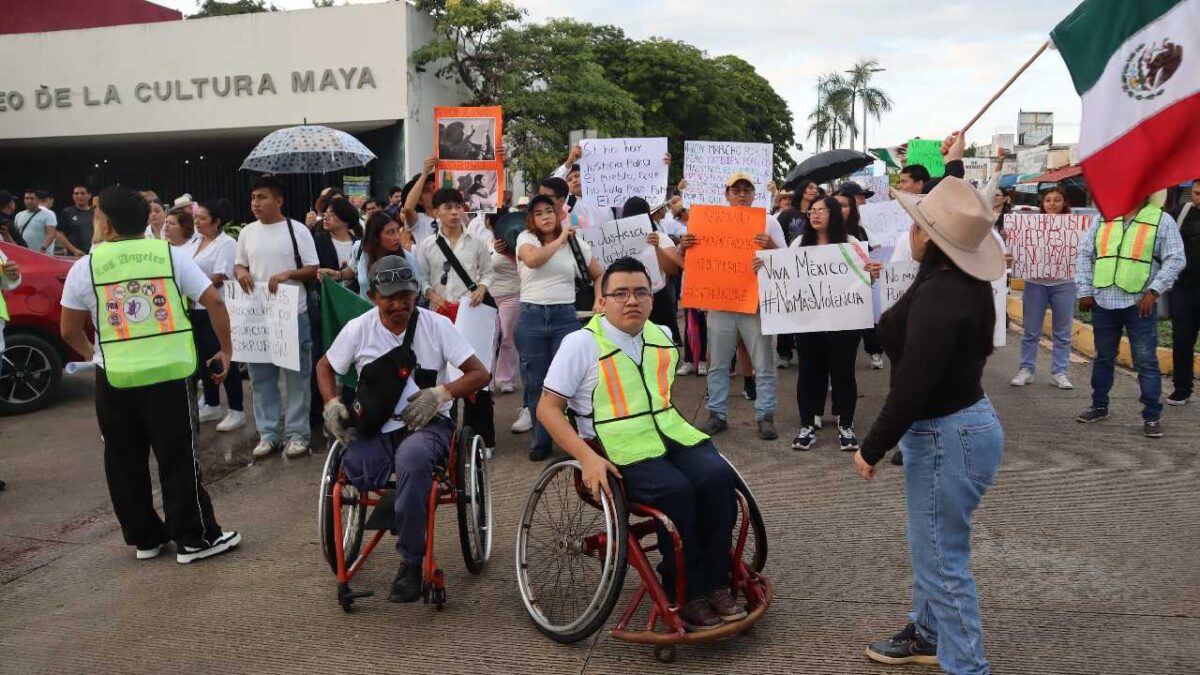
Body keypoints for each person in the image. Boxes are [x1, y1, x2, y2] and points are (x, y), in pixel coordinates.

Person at [537, 256, 746, 631]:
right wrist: (586, 457)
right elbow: (548, 410)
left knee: (718, 477)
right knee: (678, 492)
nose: (631, 300)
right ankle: (687, 593)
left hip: (669, 435)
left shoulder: (662, 336)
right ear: (601, 302)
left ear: (652, 298)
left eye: (640, 292)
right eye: (620, 293)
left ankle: (717, 582)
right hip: (614, 447)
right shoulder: (580, 344)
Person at [854, 177, 1007, 673]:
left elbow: (913, 387)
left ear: (929, 237)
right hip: (954, 431)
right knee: (934, 547)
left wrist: (872, 447)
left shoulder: (944, 293)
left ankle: (967, 665)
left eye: (917, 225)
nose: (910, 232)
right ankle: (927, 632)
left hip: (949, 435)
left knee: (942, 560)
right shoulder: (954, 283)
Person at [59, 185, 240, 563]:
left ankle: (145, 538)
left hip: (115, 378)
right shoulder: (168, 256)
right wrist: (226, 350)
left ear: (105, 224)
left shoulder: (86, 266)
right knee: (177, 457)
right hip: (170, 375)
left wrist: (97, 355)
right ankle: (193, 538)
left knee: (124, 460)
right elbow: (214, 300)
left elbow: (68, 330)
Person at [317, 254, 488, 602]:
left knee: (411, 460)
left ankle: (411, 562)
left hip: (427, 426)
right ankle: (403, 506)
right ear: (372, 296)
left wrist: (442, 392)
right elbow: (324, 366)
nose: (398, 305)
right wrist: (332, 403)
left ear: (416, 294)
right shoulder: (359, 328)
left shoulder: (437, 325)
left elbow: (479, 374)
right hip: (376, 423)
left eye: (405, 297)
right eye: (389, 298)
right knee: (358, 471)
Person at [681, 172, 784, 441]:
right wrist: (685, 245)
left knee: (763, 363)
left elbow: (786, 259)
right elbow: (692, 258)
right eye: (735, 190)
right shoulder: (707, 222)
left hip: (755, 303)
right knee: (718, 363)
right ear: (726, 195)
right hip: (720, 302)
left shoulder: (769, 222)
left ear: (753, 194)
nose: (741, 194)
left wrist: (769, 246)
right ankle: (717, 414)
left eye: (746, 190)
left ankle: (765, 415)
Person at [1075, 194, 1185, 437]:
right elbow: (1084, 253)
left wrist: (1154, 291)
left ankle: (1152, 416)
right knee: (1103, 357)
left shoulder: (1161, 220)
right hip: (1103, 300)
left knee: (1146, 361)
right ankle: (1099, 405)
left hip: (1139, 304)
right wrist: (1084, 290)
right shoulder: (1103, 218)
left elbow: (1176, 258)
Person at [778, 196, 880, 451]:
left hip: (845, 324)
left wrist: (873, 274)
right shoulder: (800, 243)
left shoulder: (852, 243)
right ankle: (807, 426)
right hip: (809, 323)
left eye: (822, 210)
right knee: (809, 373)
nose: (815, 215)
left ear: (834, 214)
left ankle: (845, 425)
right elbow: (784, 275)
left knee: (843, 373)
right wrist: (765, 267)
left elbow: (866, 281)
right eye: (812, 211)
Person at [234, 175, 320, 459]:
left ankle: (297, 434)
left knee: (297, 376)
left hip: (292, 313)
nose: (255, 204)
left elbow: (312, 268)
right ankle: (268, 433)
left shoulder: (296, 230)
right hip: (257, 316)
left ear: (279, 200)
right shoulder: (247, 233)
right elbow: (239, 265)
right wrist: (242, 272)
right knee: (261, 377)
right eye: (253, 198)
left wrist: (287, 274)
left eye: (262, 197)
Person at [514, 194, 602, 460]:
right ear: (532, 218)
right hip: (532, 315)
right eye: (539, 213)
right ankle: (541, 440)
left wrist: (600, 298)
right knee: (535, 381)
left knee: (570, 380)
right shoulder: (525, 239)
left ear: (558, 214)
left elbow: (599, 274)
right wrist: (560, 240)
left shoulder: (576, 244)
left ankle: (573, 439)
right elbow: (533, 260)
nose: (545, 217)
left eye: (549, 211)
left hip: (565, 314)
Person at [415, 188, 496, 453]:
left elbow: (487, 272)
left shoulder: (476, 242)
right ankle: (444, 439)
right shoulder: (427, 245)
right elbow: (422, 278)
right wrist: (431, 294)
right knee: (442, 375)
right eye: (447, 208)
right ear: (435, 212)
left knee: (477, 375)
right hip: (439, 316)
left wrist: (481, 289)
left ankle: (481, 440)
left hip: (470, 315)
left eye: (457, 207)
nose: (453, 213)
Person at [1011, 187, 1079, 390]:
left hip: (1065, 284)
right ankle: (1026, 369)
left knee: (1063, 332)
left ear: (1064, 203)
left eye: (1057, 200)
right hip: (1035, 284)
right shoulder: (1030, 226)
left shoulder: (1074, 226)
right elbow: (1019, 248)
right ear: (1042, 203)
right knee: (1031, 331)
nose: (1052, 204)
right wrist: (1012, 237)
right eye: (1048, 200)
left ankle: (1060, 372)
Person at [191, 198, 245, 432]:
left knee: (223, 357)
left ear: (216, 222)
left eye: (202, 218)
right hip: (196, 308)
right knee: (203, 359)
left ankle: (237, 409)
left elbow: (220, 275)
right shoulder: (196, 242)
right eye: (197, 218)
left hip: (218, 307)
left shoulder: (226, 243)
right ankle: (212, 403)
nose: (197, 222)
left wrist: (193, 285)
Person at [618, 197, 683, 345]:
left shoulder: (660, 238)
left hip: (657, 299)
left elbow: (671, 270)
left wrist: (656, 247)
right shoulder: (617, 241)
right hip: (627, 299)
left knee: (661, 344)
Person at [837, 188, 886, 370]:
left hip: (859, 291)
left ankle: (874, 352)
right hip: (833, 297)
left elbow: (878, 249)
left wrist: (871, 266)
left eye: (843, 205)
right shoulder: (820, 233)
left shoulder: (859, 233)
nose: (838, 209)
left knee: (866, 326)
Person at [1167, 178, 1200, 405]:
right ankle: (1182, 388)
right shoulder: (1179, 213)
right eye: (1197, 193)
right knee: (1182, 339)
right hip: (1184, 289)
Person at [486, 210, 521, 394]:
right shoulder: (485, 243)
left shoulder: (517, 240)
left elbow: (527, 264)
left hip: (512, 295)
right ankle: (487, 380)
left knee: (508, 337)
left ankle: (505, 379)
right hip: (489, 297)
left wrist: (510, 250)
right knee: (490, 339)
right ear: (488, 224)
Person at [353, 211, 422, 301]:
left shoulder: (407, 259)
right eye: (390, 232)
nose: (397, 237)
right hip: (366, 310)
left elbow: (417, 288)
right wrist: (338, 274)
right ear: (376, 237)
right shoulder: (362, 253)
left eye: (397, 230)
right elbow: (353, 271)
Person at [549, 145, 618, 228]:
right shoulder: (567, 203)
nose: (574, 180)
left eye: (577, 176)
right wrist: (569, 162)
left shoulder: (606, 196)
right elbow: (553, 185)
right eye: (569, 180)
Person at [316, 198, 363, 292]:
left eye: (331, 214)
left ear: (345, 219)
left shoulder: (359, 245)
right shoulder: (318, 241)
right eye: (324, 214)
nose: (325, 218)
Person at [401, 158, 440, 247]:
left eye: (435, 187)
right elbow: (408, 208)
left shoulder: (452, 215)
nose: (434, 192)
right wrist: (425, 172)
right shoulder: (419, 220)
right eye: (427, 190)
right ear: (419, 200)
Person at [56, 183, 94, 257]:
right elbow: (59, 233)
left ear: (89, 195)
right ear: (73, 196)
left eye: (82, 193)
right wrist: (73, 250)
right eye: (76, 194)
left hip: (93, 254)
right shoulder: (67, 212)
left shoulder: (96, 213)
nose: (79, 196)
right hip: (74, 255)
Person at [16, 189, 57, 254]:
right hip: (23, 253)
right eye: (27, 198)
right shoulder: (19, 215)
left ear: (38, 200)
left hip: (42, 254)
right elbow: (16, 234)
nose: (29, 201)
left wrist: (43, 249)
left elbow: (51, 234)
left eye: (32, 198)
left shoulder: (49, 214)